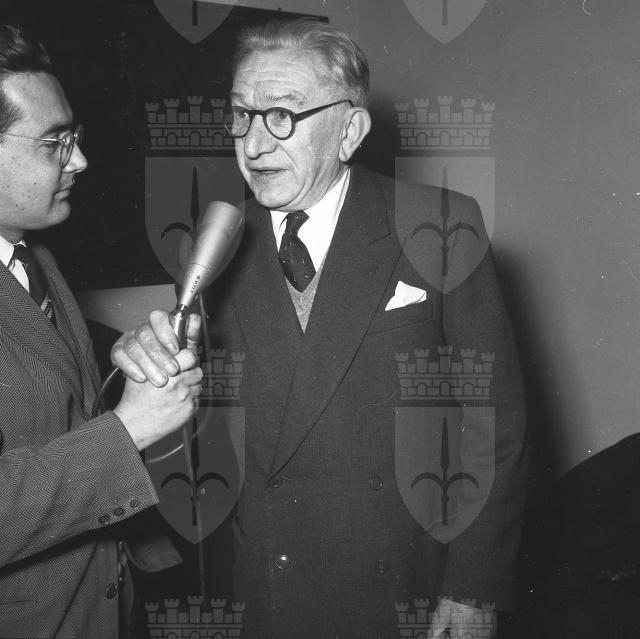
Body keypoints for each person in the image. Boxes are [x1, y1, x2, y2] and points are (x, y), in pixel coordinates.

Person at [116, 17, 528, 639]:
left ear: (349, 131)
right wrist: (148, 365)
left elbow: (493, 423)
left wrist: (473, 588)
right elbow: (199, 441)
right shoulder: (210, 246)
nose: (254, 145)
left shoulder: (441, 225)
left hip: (406, 581)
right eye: (241, 115)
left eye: (281, 115)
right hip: (267, 584)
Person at [0, 24, 203, 639]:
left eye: (76, 137)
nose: (80, 161)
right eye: (54, 143)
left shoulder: (34, 258)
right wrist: (130, 427)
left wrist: (121, 361)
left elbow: (47, 402)